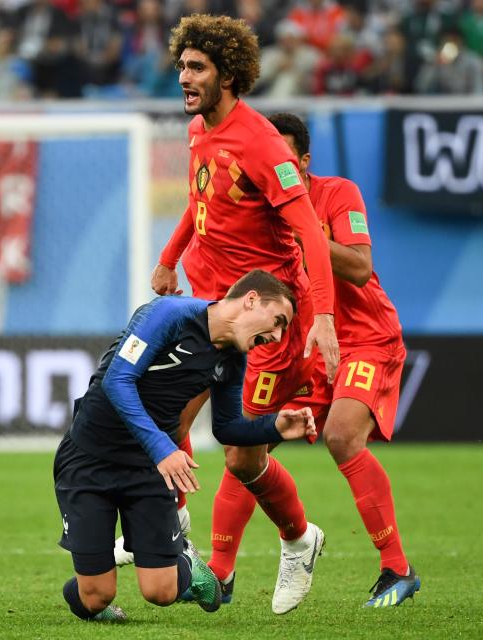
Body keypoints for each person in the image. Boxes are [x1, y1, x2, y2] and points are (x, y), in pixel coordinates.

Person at [139, 14, 340, 616]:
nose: (184, 77)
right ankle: (172, 530)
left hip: (267, 319)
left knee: (241, 455)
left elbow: (306, 227)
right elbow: (201, 201)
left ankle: (299, 537)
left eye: (196, 68)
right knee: (167, 414)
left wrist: (324, 318)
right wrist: (170, 257)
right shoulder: (200, 128)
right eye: (181, 66)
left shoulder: (260, 143)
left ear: (228, 74)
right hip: (212, 310)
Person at [55, 269, 319, 621]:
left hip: (148, 468)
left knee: (161, 592)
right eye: (277, 321)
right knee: (96, 596)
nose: (276, 336)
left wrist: (274, 426)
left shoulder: (232, 358)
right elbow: (118, 380)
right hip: (89, 459)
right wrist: (163, 449)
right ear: (251, 299)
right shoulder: (169, 314)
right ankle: (93, 596)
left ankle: (187, 564)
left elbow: (226, 428)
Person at [269, 112, 419, 607]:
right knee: (244, 442)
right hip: (308, 340)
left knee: (340, 435)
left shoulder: (338, 194)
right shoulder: (260, 205)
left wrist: (305, 234)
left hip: (365, 337)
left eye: (287, 157)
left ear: (305, 160)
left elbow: (359, 267)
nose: (278, 168)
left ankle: (397, 568)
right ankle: (223, 572)